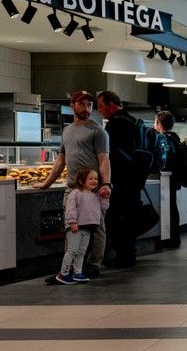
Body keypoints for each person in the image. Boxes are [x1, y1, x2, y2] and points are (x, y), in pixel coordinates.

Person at [37, 90, 111, 279]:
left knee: (96, 227)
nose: (86, 108)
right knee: (71, 227)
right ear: (72, 106)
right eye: (82, 104)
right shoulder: (67, 131)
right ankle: (68, 268)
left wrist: (106, 184)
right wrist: (46, 183)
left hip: (92, 189)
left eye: (89, 105)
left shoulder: (97, 131)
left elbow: (104, 160)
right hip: (72, 187)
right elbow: (60, 161)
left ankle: (94, 265)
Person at [96, 90, 141, 268]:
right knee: (129, 219)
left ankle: (123, 257)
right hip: (134, 178)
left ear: (110, 105)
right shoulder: (133, 120)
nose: (99, 110)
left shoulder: (115, 124)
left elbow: (107, 154)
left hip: (120, 180)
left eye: (100, 106)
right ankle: (129, 255)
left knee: (118, 219)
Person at [56, 167, 109, 285]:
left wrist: (105, 197)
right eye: (90, 178)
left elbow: (104, 207)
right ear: (81, 181)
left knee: (81, 252)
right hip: (76, 227)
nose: (94, 181)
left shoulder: (95, 195)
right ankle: (63, 273)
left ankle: (77, 272)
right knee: (72, 250)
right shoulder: (75, 193)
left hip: (88, 228)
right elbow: (71, 209)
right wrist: (72, 222)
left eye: (96, 178)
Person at [154, 110, 182, 249]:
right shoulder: (175, 138)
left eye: (155, 122)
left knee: (168, 208)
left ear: (159, 124)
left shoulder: (163, 139)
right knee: (172, 207)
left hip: (167, 178)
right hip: (175, 177)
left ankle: (169, 238)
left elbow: (163, 160)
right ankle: (174, 237)